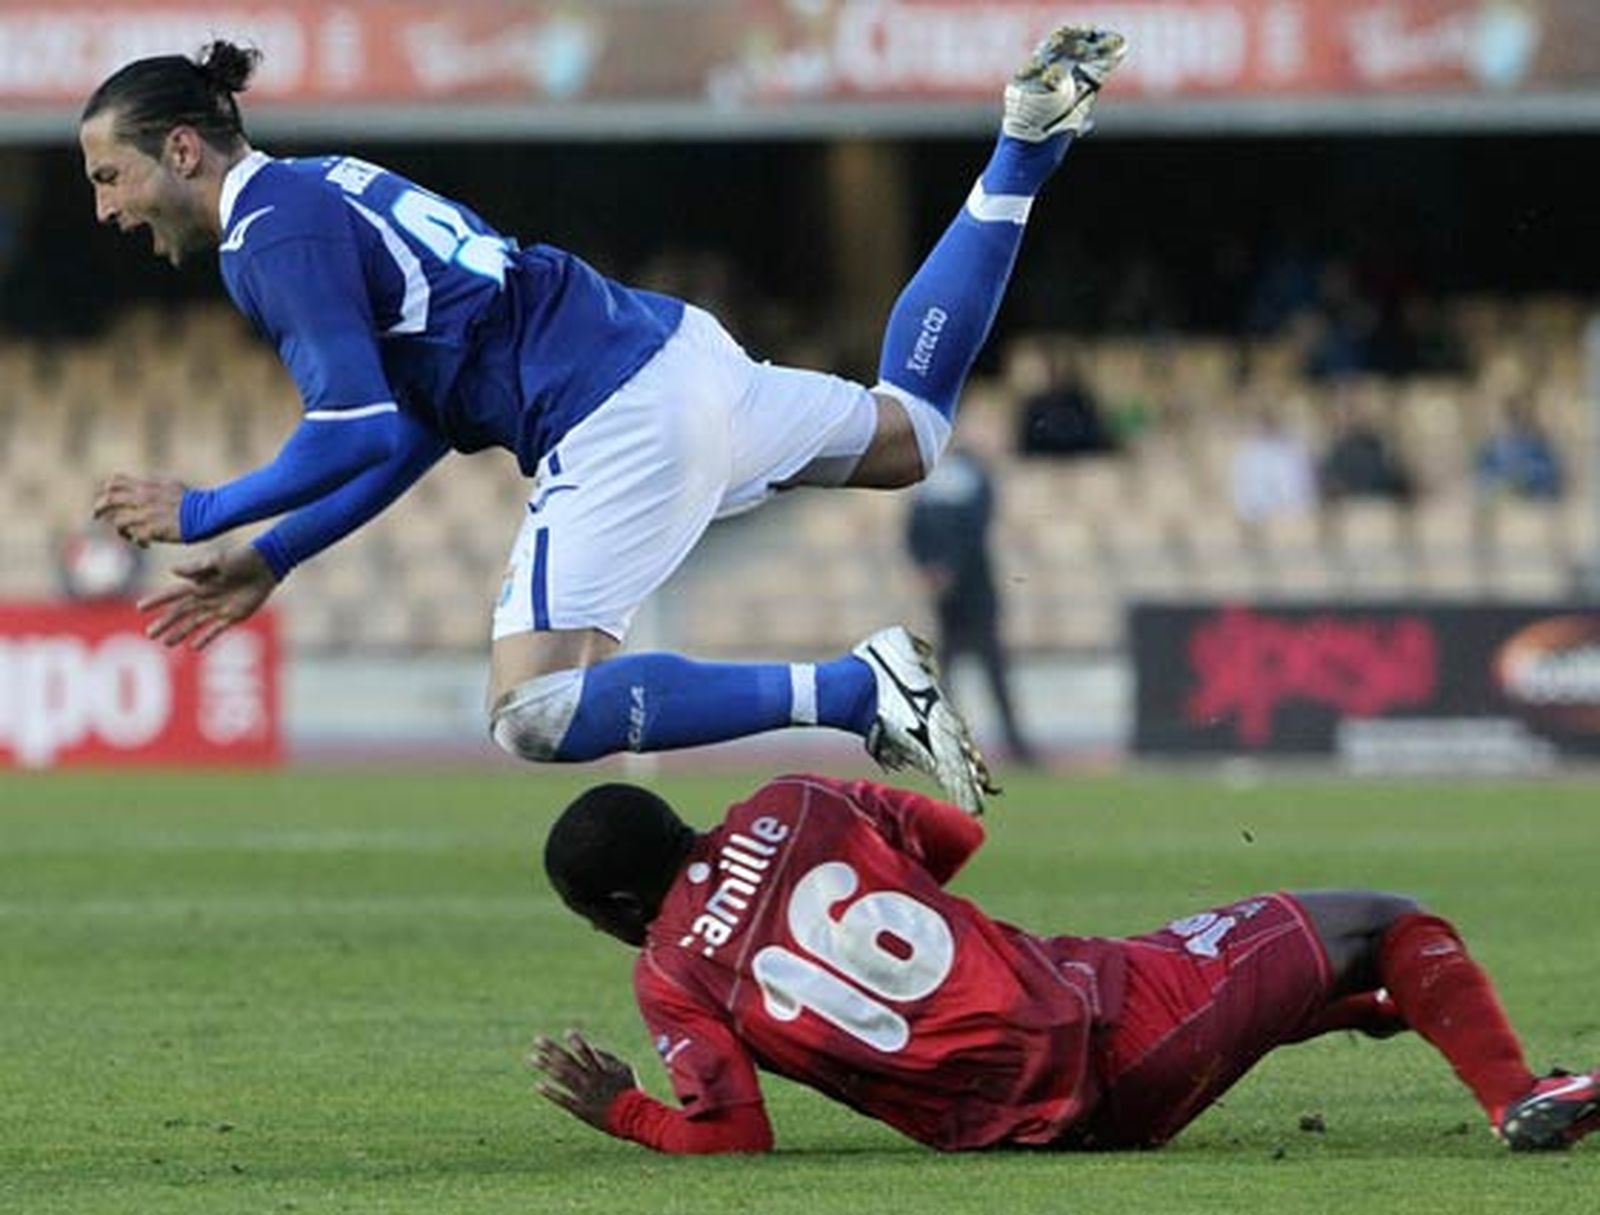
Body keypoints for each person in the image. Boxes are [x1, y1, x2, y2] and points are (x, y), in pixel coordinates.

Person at [80, 27, 1129, 812]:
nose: (104, 209)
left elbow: (352, 426)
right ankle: (1022, 156)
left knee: (532, 709)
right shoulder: (318, 190)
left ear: (181, 149)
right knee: (909, 433)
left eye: (109, 174)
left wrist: (208, 506)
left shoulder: (266, 233)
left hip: (612, 411)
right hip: (672, 352)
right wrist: (278, 550)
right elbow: (415, 421)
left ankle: (857, 691)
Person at [530, 776, 1599, 1155]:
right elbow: (955, 839)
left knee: (1279, 976)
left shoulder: (670, 972)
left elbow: (734, 1133)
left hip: (1040, 1128)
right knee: (1385, 914)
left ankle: (1349, 1005)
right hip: (1107, 1025)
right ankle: (1519, 1097)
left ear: (621, 906)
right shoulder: (795, 802)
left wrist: (623, 1107)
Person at [905, 413, 1036, 763]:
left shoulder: (932, 480)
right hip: (975, 589)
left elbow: (913, 529)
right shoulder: (977, 478)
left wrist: (930, 567)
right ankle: (1015, 745)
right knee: (992, 669)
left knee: (947, 671)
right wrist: (951, 567)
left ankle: (943, 743)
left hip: (945, 592)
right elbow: (977, 530)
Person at [1477, 393, 1564, 502]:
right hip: (1503, 505)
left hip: (1534, 506)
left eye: (1520, 414)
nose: (1517, 420)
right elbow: (1482, 477)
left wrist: (1526, 480)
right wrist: (1500, 485)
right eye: (1513, 414)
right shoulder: (1492, 448)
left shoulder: (1538, 446)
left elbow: (1551, 477)